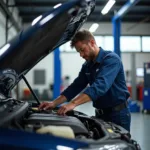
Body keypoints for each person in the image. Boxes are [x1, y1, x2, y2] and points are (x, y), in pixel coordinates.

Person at [39, 29, 131, 131]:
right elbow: (75, 87)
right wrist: (54, 103)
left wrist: (73, 104)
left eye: (82, 50)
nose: (81, 55)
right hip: (100, 114)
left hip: (118, 114)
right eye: (79, 52)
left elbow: (100, 86)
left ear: (92, 43)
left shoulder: (111, 60)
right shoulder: (87, 65)